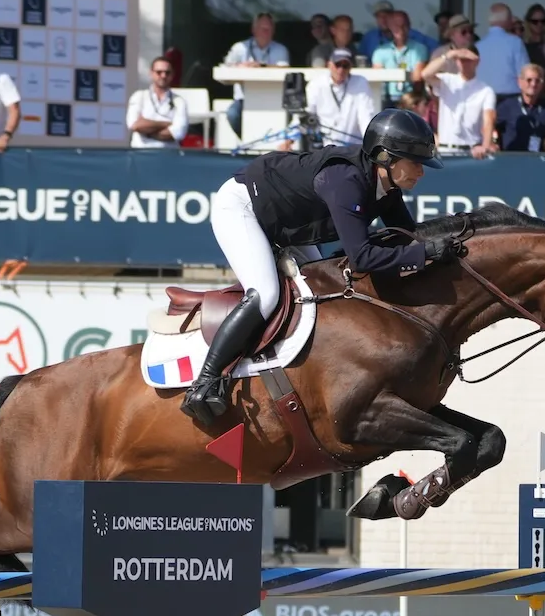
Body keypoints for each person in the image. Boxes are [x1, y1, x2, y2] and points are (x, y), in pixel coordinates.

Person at [184, 110, 452, 420]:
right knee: (266, 294)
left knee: (324, 290)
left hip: (287, 222)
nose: (421, 172)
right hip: (244, 206)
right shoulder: (346, 181)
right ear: (386, 158)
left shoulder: (386, 187)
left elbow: (407, 238)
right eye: (416, 162)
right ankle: (206, 381)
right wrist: (425, 253)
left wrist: (443, 249)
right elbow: (362, 258)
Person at [417, 44, 497, 157]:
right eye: (460, 60)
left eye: (468, 60)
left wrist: (485, 146)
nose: (464, 63)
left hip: (471, 150)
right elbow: (425, 74)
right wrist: (450, 55)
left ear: (477, 62)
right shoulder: (447, 80)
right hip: (445, 149)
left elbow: (489, 120)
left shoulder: (485, 90)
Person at [222, 12, 290, 135]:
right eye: (262, 28)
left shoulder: (280, 49)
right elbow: (225, 68)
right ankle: (248, 139)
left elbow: (284, 69)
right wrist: (240, 67)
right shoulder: (240, 48)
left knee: (290, 115)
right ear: (253, 29)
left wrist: (261, 66)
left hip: (274, 99)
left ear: (273, 31)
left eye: (268, 29)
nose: (265, 32)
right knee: (232, 114)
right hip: (244, 99)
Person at [305, 48, 377, 146]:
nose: (341, 70)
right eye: (337, 65)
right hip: (325, 147)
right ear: (329, 65)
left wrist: (371, 143)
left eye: (345, 66)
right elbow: (306, 114)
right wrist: (288, 140)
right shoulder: (316, 84)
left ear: (350, 67)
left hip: (353, 146)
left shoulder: (360, 83)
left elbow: (365, 116)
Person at [495, 65, 545, 152]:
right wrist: (492, 142)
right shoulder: (507, 106)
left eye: (538, 81)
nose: (533, 84)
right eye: (529, 80)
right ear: (519, 82)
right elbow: (488, 126)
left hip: (540, 158)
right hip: (513, 158)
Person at [126, 57, 190, 149]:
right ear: (151, 73)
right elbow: (134, 125)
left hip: (168, 154)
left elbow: (179, 133)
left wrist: (146, 131)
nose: (163, 76)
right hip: (141, 153)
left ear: (172, 75)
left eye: (167, 72)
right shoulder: (139, 96)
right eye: (159, 72)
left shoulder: (179, 101)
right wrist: (166, 124)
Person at [370, 11, 429, 103]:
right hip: (386, 99)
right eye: (396, 26)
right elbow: (377, 79)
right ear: (390, 27)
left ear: (409, 26)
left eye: (404, 25)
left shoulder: (419, 49)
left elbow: (417, 79)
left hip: (411, 98)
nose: (401, 29)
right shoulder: (380, 51)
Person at [477, 4, 531, 104]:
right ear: (507, 20)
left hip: (482, 100)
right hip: (510, 100)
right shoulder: (516, 43)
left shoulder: (478, 46)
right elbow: (526, 74)